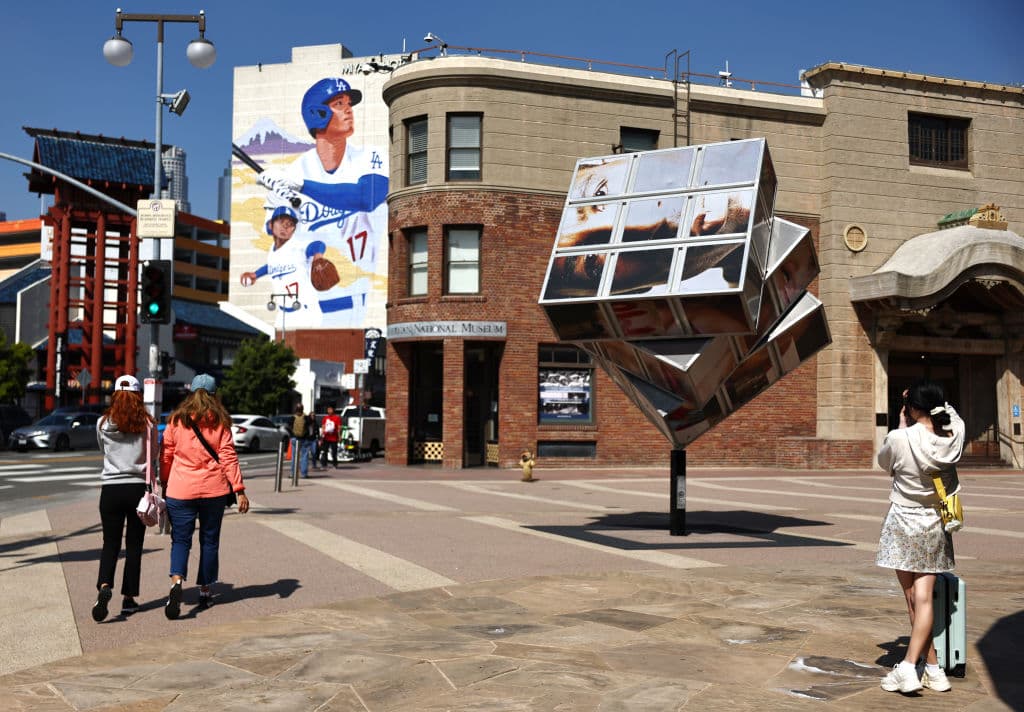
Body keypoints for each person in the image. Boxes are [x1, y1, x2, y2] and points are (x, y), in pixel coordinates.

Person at [258, 77, 389, 328]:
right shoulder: (291, 173)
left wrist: (302, 186)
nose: (349, 110)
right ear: (317, 114)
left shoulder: (371, 157)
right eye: (339, 103)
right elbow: (277, 240)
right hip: (305, 306)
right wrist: (275, 197)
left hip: (364, 301)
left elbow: (367, 197)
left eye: (349, 103)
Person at [876, 379, 964, 694]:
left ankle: (909, 667)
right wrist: (933, 401)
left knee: (911, 597)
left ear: (912, 409)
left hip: (902, 521)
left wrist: (903, 422)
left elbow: (884, 463)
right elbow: (951, 416)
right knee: (923, 598)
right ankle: (934, 668)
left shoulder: (899, 438)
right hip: (935, 522)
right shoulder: (954, 436)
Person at [160, 374, 249, 619]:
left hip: (180, 489)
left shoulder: (177, 420)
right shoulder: (220, 421)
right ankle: (206, 589)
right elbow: (228, 456)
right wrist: (239, 490)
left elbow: (166, 454)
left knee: (180, 540)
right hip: (213, 490)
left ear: (192, 393)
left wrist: (165, 481)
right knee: (209, 541)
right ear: (213, 394)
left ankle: (177, 581)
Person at [92, 375, 156, 621]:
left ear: (115, 395)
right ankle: (129, 599)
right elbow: (153, 456)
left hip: (110, 489)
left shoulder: (102, 423)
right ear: (139, 396)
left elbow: (103, 451)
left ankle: (105, 585)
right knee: (134, 545)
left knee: (110, 543)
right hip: (137, 488)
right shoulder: (147, 425)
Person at [290, 403, 316, 478]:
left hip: (294, 438)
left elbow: (289, 427)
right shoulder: (306, 417)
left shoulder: (292, 417)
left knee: (294, 456)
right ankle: (304, 474)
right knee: (304, 456)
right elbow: (311, 427)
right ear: (303, 409)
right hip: (304, 439)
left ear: (295, 409)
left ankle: (293, 473)